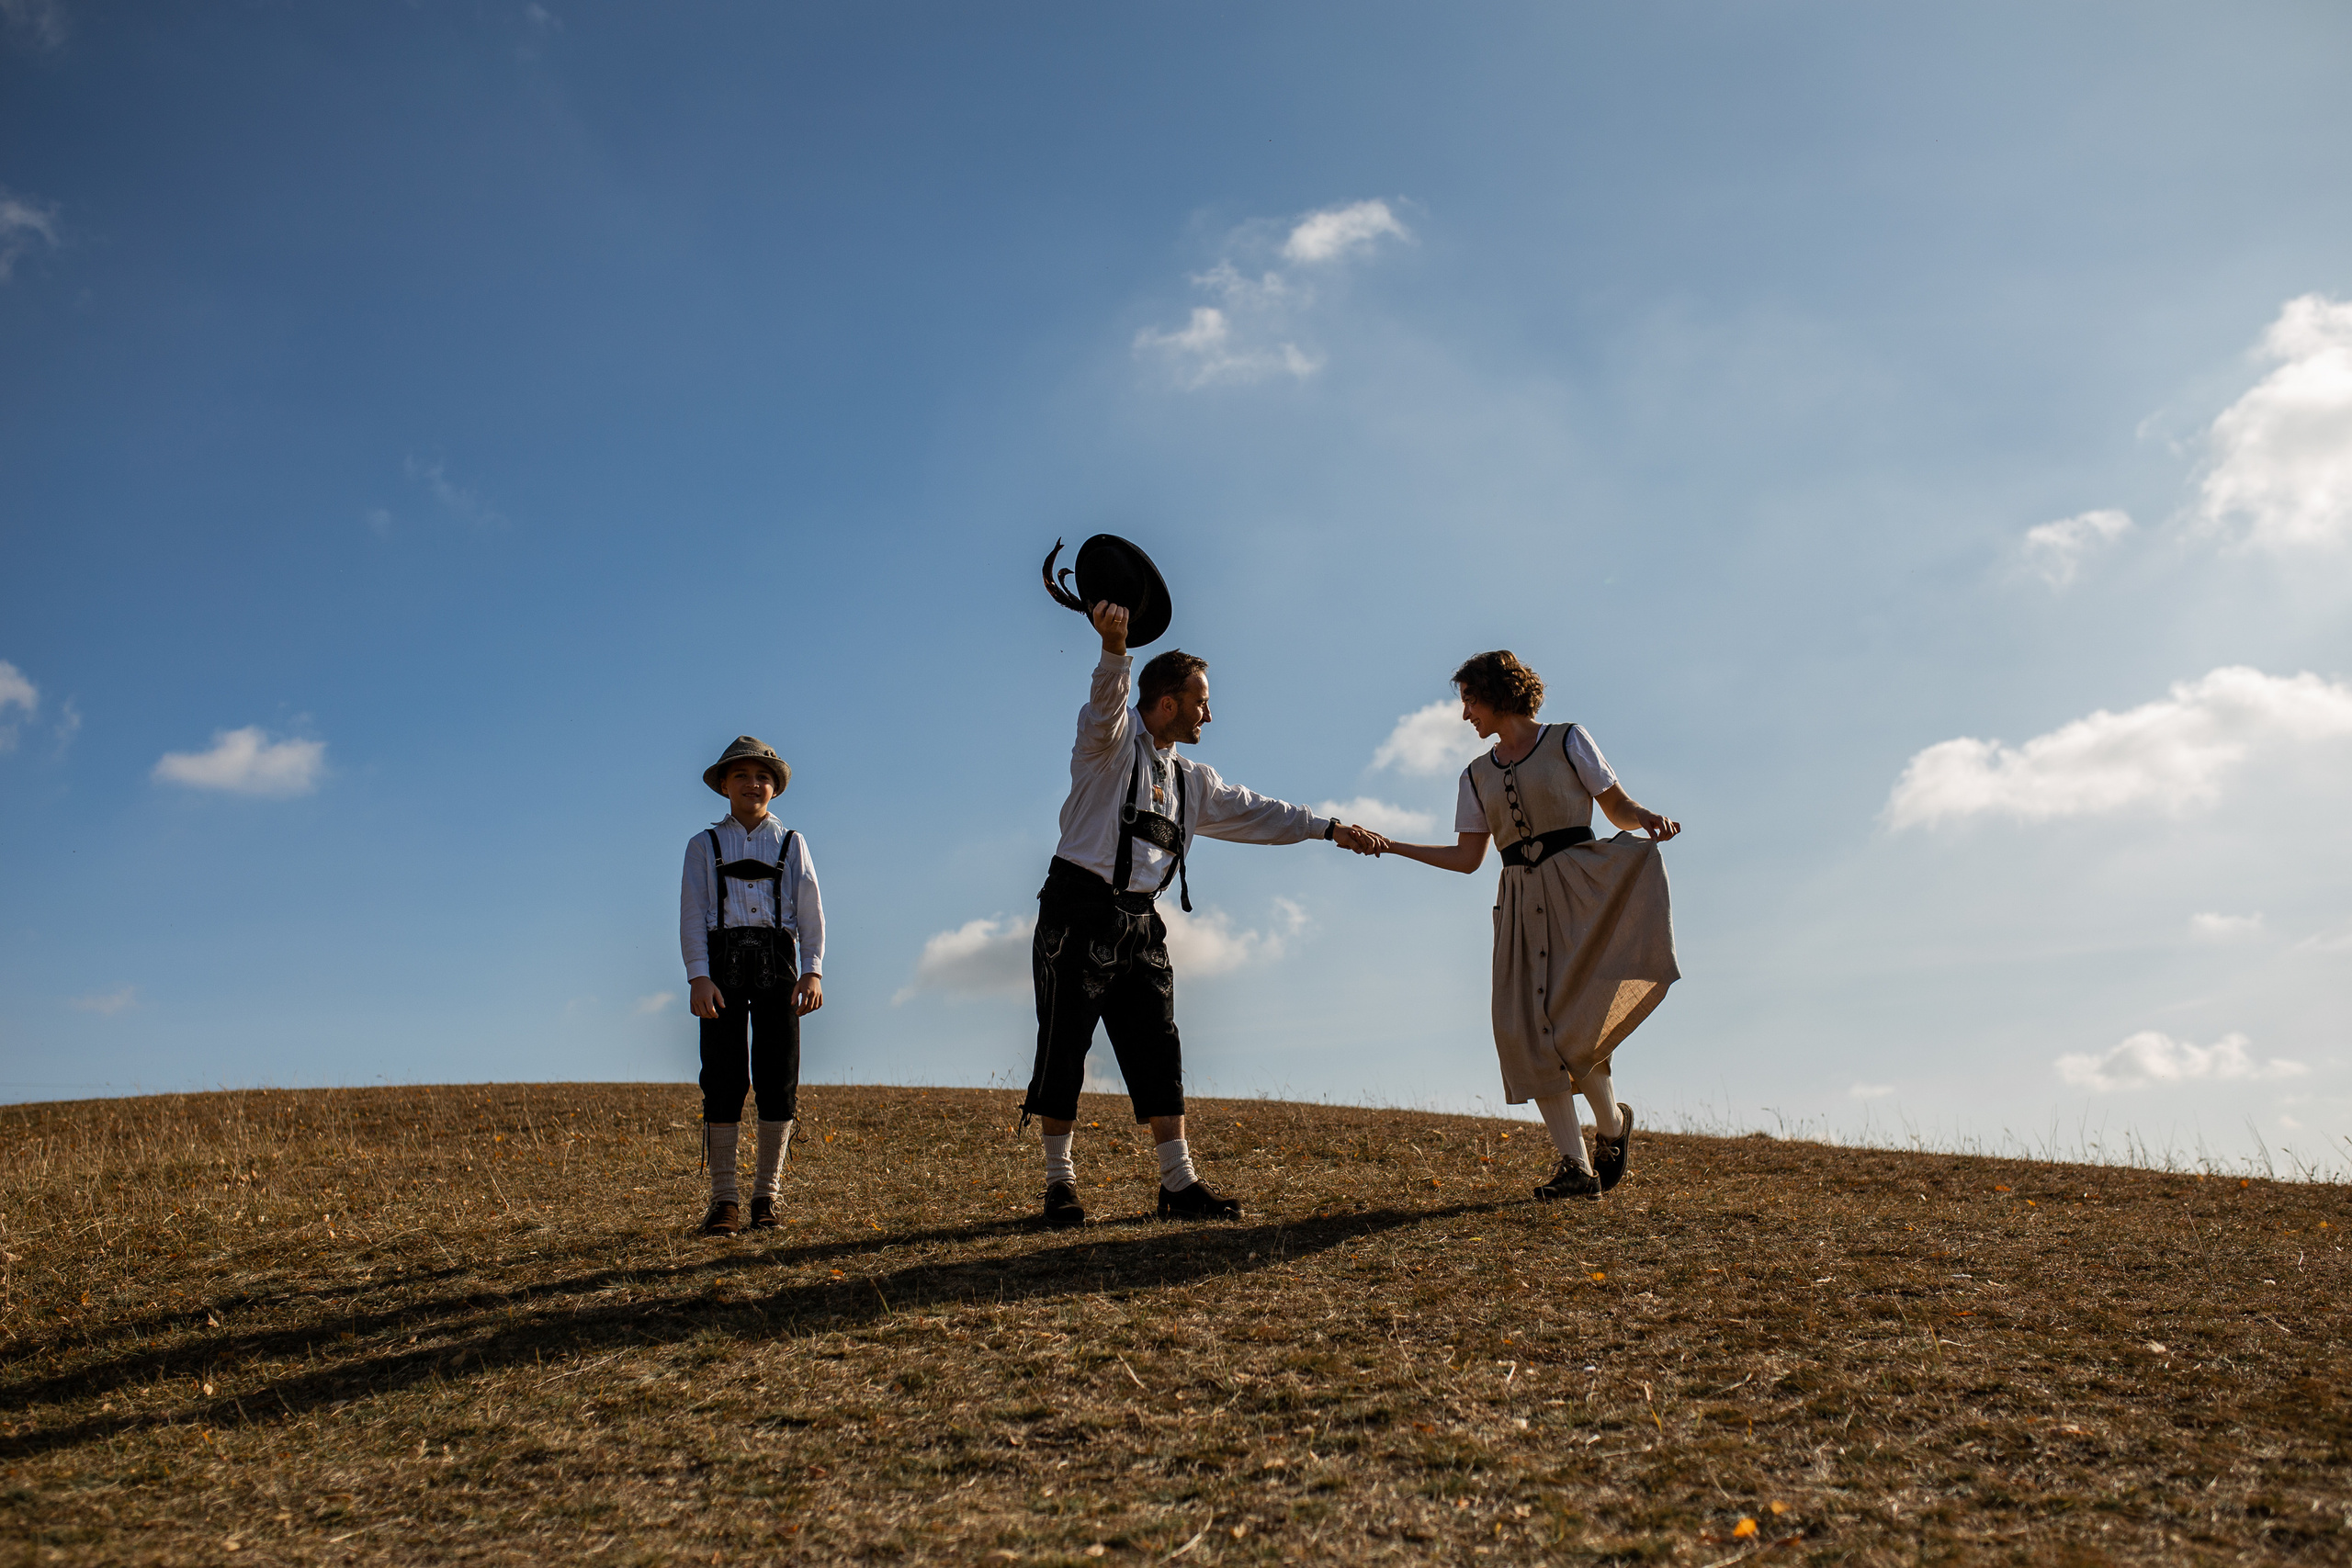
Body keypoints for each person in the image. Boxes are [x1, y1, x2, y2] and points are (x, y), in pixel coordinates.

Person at [1025, 601, 1380, 1227]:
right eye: (1201, 701)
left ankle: (1178, 1183)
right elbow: (1108, 701)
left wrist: (1329, 829)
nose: (1209, 713)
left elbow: (1263, 812)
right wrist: (1113, 647)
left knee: (1160, 1048)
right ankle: (1060, 1187)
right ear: (1166, 702)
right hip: (1077, 912)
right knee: (1064, 1049)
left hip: (1141, 923)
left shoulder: (1194, 781)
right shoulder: (1106, 748)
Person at [1360, 651, 1679, 1201]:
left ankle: (1610, 1126)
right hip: (1519, 903)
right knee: (1526, 1028)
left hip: (1580, 893)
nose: (1465, 716)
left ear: (1498, 694)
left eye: (1470, 701)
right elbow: (1467, 859)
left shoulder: (1567, 740)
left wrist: (1646, 818)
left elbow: (1616, 807)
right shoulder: (1475, 775)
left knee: (1575, 1024)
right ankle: (1575, 1168)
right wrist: (1394, 847)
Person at [679, 736, 826, 1236]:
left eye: (763, 776)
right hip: (720, 967)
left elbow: (811, 911)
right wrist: (698, 975)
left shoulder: (792, 843)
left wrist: (813, 969)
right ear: (724, 784)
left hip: (778, 964)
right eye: (741, 775)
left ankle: (767, 1195)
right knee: (721, 1078)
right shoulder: (704, 844)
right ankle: (724, 1200)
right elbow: (692, 914)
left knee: (778, 1075)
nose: (753, 783)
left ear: (776, 789)